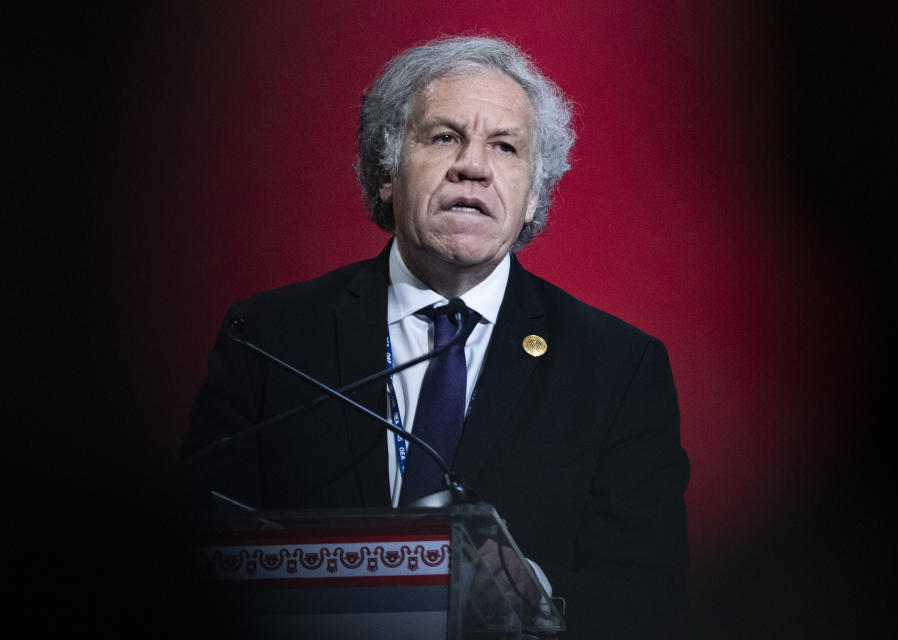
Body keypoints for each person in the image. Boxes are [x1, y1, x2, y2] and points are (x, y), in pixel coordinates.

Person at [182, 35, 689, 637]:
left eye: (504, 146)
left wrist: (539, 595)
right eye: (444, 136)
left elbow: (646, 596)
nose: (472, 165)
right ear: (387, 171)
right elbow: (191, 548)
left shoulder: (617, 368)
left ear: (532, 197)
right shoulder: (267, 338)